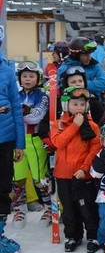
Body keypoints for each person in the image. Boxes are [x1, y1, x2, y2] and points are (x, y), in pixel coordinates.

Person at [50, 87, 102, 253]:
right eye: (75, 104)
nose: (78, 107)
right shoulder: (59, 125)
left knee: (87, 208)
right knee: (69, 209)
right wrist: (74, 126)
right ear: (67, 105)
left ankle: (93, 235)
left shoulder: (93, 127)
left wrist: (84, 168)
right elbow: (58, 143)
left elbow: (95, 150)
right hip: (63, 175)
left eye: (82, 104)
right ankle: (73, 236)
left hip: (81, 175)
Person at [11, 61, 50, 228]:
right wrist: (23, 111)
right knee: (17, 178)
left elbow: (36, 117)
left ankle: (49, 209)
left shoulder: (42, 96)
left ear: (38, 78)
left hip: (34, 140)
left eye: (31, 76)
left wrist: (18, 112)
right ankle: (19, 211)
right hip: (16, 141)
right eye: (24, 76)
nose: (27, 79)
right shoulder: (15, 94)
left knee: (40, 178)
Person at [0, 50, 26, 253]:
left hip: (5, 139)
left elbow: (16, 108)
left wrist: (20, 143)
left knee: (2, 187)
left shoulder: (7, 70)